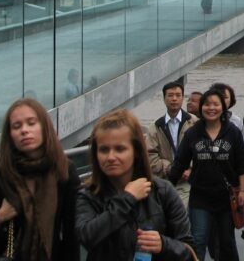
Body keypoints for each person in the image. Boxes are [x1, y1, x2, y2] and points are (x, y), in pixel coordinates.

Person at [0, 98, 80, 260]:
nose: (24, 130)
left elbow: (71, 234)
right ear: (10, 135)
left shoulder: (63, 171)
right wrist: (0, 216)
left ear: (44, 127)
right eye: (17, 126)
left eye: (31, 123)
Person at [76, 109, 194, 261]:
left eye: (120, 149)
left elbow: (189, 249)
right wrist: (127, 199)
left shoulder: (162, 191)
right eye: (104, 150)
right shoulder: (88, 195)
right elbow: (86, 236)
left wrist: (164, 245)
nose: (111, 157)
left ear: (136, 151)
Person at [169, 89, 244, 261]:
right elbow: (179, 164)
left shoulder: (233, 132)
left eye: (216, 104)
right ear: (201, 107)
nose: (211, 108)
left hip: (226, 197)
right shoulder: (193, 133)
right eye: (207, 104)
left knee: (226, 242)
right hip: (200, 196)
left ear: (223, 107)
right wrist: (165, 189)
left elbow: (241, 164)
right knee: (198, 240)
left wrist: (243, 190)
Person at [146, 81, 199, 208]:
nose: (174, 99)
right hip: (165, 180)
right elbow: (150, 155)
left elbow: (202, 150)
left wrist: (190, 169)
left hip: (189, 180)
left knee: (181, 211)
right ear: (164, 99)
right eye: (170, 95)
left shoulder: (194, 123)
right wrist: (172, 169)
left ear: (182, 98)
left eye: (178, 95)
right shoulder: (155, 126)